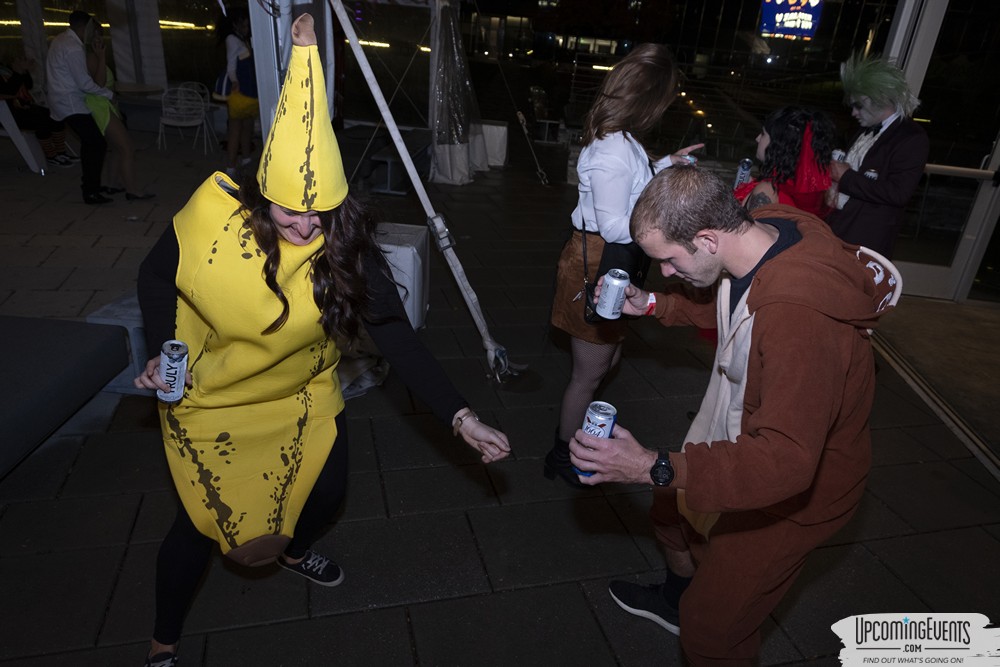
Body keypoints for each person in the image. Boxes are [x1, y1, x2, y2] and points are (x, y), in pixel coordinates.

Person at [133, 15, 510, 667]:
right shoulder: (213, 216)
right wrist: (162, 349)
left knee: (329, 490)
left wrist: (461, 416)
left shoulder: (342, 242)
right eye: (290, 210)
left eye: (320, 212)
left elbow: (395, 334)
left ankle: (295, 548)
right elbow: (153, 274)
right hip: (214, 395)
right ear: (263, 196)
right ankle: (162, 641)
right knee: (197, 526)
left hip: (302, 393)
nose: (307, 226)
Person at [570, 167, 895, 664]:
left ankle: (698, 607)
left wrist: (650, 465)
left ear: (706, 238)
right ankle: (679, 599)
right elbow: (730, 300)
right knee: (669, 513)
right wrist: (653, 303)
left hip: (794, 496)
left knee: (710, 632)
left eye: (669, 261)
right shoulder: (762, 234)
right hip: (743, 435)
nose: (666, 273)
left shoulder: (800, 320)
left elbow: (786, 460)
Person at [545, 43, 702, 487]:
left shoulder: (622, 139)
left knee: (605, 361)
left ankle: (575, 443)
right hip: (597, 261)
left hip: (611, 260)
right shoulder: (613, 149)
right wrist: (664, 226)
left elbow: (631, 184)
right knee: (588, 375)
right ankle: (563, 456)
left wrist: (665, 164)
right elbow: (616, 226)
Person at [827, 53, 929, 258]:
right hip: (839, 225)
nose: (854, 113)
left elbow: (898, 193)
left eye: (859, 106)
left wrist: (846, 177)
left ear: (880, 100)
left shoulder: (912, 138)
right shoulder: (863, 129)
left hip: (865, 236)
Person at [45, 10, 113, 205]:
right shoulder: (73, 48)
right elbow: (84, 83)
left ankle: (92, 185)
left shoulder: (60, 40)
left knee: (90, 143)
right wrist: (108, 94)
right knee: (97, 144)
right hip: (70, 102)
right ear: (84, 27)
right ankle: (91, 191)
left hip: (62, 99)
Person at [85, 23, 153, 200]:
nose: (98, 38)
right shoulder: (91, 57)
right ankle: (132, 190)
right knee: (127, 148)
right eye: (94, 35)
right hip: (100, 106)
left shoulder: (93, 55)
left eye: (100, 34)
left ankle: (112, 184)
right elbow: (99, 83)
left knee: (116, 147)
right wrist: (101, 57)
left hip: (106, 104)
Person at [735, 105, 836, 217]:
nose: (757, 138)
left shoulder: (766, 191)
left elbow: (748, 228)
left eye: (763, 134)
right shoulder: (804, 187)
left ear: (778, 145)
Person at [0, 51, 77, 167]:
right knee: (41, 121)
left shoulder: (7, 71)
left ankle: (61, 152)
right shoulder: (7, 73)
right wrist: (18, 72)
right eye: (20, 59)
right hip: (8, 113)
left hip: (24, 107)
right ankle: (51, 155)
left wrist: (24, 71)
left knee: (55, 114)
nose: (22, 60)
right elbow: (9, 91)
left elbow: (28, 85)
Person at [216, 6, 258, 176]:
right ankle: (230, 167)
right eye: (245, 24)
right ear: (236, 23)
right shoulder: (232, 39)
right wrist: (234, 82)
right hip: (239, 88)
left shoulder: (242, 38)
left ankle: (246, 159)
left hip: (249, 88)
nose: (247, 28)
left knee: (248, 125)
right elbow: (231, 64)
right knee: (235, 128)